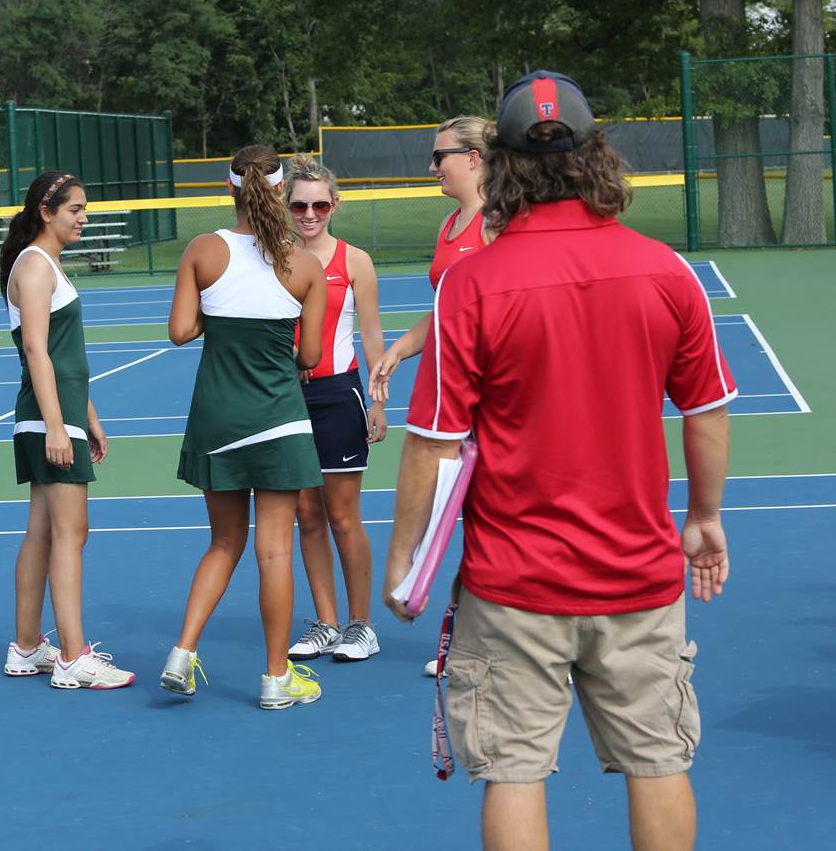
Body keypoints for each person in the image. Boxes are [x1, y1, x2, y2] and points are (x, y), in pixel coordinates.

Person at [382, 71, 735, 851]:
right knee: (657, 759)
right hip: (637, 575)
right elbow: (704, 411)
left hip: (513, 582)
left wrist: (405, 559)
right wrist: (704, 518)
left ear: (499, 162)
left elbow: (435, 441)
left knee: (512, 772)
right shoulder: (665, 270)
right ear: (597, 155)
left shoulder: (470, 285)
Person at [160, 144, 329, 710]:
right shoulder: (305, 266)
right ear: (281, 190)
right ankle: (275, 680)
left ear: (229, 188)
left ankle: (181, 655)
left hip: (217, 420)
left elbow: (181, 330)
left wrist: (221, 310)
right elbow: (308, 356)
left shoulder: (203, 251)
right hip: (279, 421)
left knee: (223, 542)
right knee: (275, 553)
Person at [367, 115, 495, 677]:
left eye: (441, 154)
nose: (432, 166)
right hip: (449, 393)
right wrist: (402, 348)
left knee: (497, 525)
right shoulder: (450, 225)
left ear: (474, 157)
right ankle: (468, 642)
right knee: (469, 522)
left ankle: (538, 642)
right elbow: (450, 307)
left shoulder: (499, 223)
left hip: (490, 395)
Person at [0, 170, 133, 689]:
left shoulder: (47, 266)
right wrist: (58, 426)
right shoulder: (35, 267)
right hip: (47, 419)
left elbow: (65, 358)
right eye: (75, 209)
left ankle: (27, 647)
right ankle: (73, 657)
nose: (84, 217)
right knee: (71, 533)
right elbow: (36, 350)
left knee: (42, 532)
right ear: (46, 211)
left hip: (58, 416)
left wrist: (89, 416)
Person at [281, 154, 389, 663]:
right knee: (306, 515)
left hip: (337, 395)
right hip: (286, 399)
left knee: (344, 516)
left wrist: (378, 400)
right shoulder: (273, 258)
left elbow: (370, 335)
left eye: (319, 204)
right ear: (286, 206)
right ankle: (325, 622)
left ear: (334, 205)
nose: (309, 213)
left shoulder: (355, 261)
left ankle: (360, 624)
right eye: (299, 204)